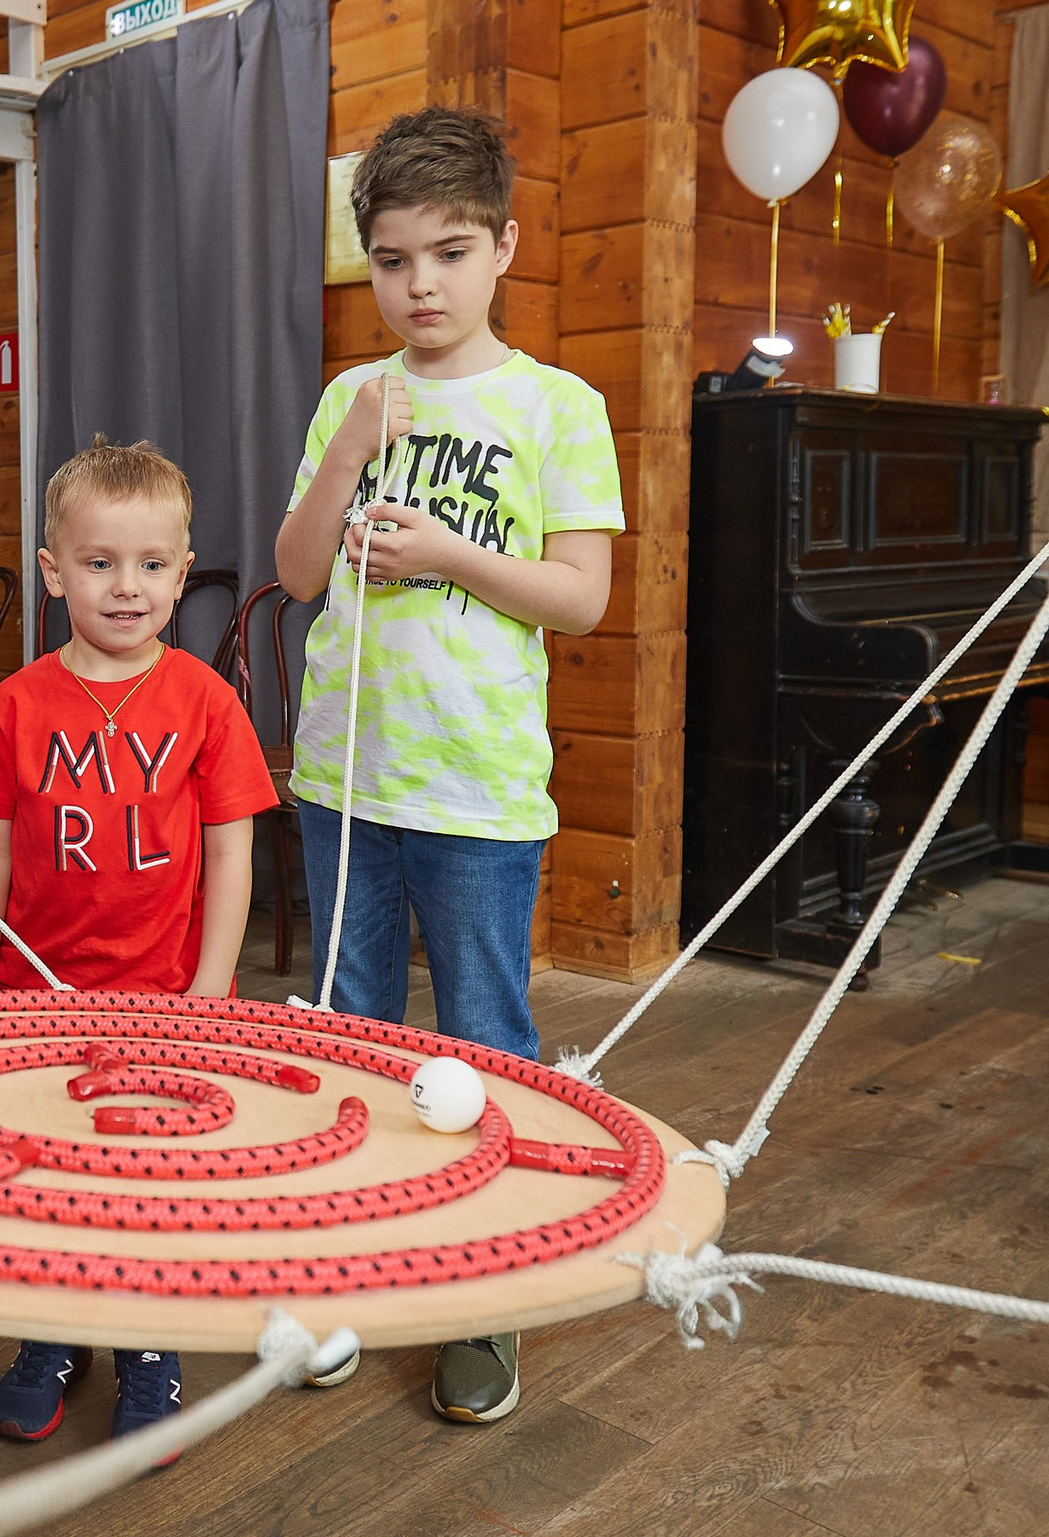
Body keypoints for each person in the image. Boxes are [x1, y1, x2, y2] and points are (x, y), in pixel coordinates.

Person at [271, 106, 623, 1425]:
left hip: (477, 793)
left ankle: (485, 1300)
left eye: (450, 251)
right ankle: (348, 1272)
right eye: (394, 257)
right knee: (347, 1043)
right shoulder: (345, 397)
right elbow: (299, 571)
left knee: (485, 1048)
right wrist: (355, 446)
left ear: (504, 247)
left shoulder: (557, 405)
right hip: (345, 784)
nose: (421, 284)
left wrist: (450, 555)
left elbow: (582, 596)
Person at [0, 438, 278, 1452]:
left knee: (145, 1179)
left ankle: (149, 1347)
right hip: (36, 999)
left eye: (148, 565)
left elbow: (231, 857)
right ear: (53, 571)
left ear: (182, 572)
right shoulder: (13, 706)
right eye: (97, 563)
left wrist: (212, 988)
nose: (123, 587)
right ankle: (52, 1332)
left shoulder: (208, 703)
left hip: (165, 996)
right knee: (45, 1174)